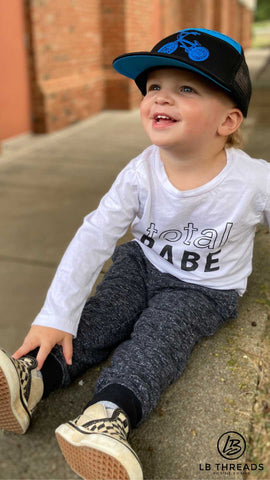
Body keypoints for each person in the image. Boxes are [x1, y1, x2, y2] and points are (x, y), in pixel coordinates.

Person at [0, 27, 266, 480]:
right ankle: (34, 376)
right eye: (154, 87)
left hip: (203, 289)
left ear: (228, 121)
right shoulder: (140, 171)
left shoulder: (254, 181)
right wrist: (55, 314)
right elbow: (95, 233)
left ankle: (107, 416)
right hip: (141, 264)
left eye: (186, 88)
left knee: (159, 337)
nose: (161, 98)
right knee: (101, 316)